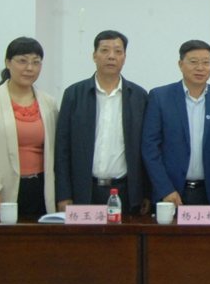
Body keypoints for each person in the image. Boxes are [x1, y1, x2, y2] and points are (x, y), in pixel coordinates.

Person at [55, 30, 150, 214]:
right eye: (105, 50)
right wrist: (63, 193)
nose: (111, 56)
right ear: (94, 55)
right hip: (84, 190)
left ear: (124, 58)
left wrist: (146, 192)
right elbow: (62, 148)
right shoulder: (74, 94)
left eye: (118, 51)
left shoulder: (139, 96)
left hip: (126, 192)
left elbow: (146, 148)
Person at [142, 40, 210, 209]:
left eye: (206, 62)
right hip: (171, 193)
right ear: (181, 65)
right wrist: (165, 189)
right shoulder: (160, 97)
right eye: (193, 62)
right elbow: (150, 147)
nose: (200, 68)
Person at [0, 37, 58, 215]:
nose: (29, 68)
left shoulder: (49, 103)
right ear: (7, 63)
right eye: (22, 61)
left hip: (39, 188)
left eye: (36, 62)